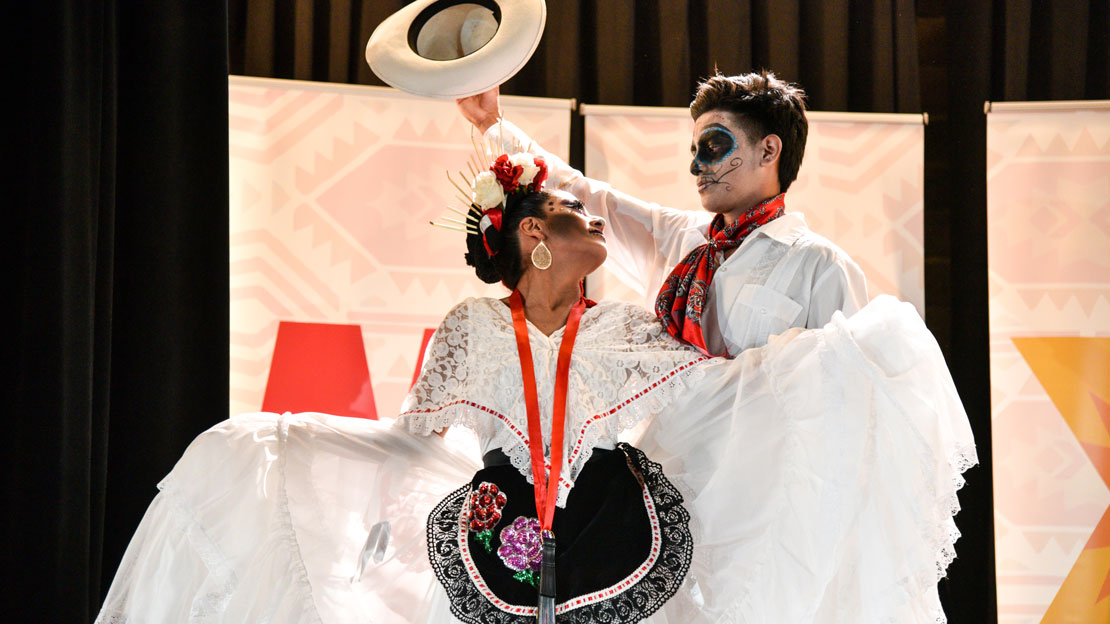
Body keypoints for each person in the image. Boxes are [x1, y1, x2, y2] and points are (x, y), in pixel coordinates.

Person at [96, 147, 974, 623]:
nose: (595, 217)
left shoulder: (630, 330)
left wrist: (841, 363)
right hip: (501, 537)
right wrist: (290, 440)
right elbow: (417, 440)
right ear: (533, 243)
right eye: (569, 213)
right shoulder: (472, 329)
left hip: (612, 535)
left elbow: (722, 394)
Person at [458, 71, 868, 356]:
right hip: (660, 468)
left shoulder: (821, 266)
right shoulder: (680, 238)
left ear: (769, 150)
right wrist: (491, 123)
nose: (695, 167)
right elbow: (580, 191)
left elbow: (843, 394)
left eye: (712, 147)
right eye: (693, 152)